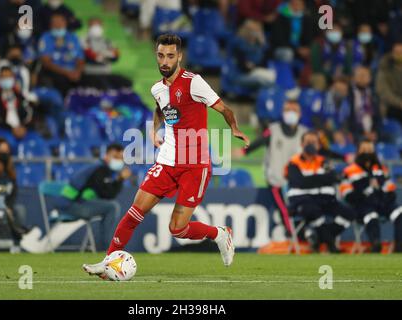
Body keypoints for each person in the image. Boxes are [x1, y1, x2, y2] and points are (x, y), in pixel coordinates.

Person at [83, 34, 250, 277]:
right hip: (167, 161)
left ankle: (219, 234)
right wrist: (154, 130)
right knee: (134, 212)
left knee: (177, 229)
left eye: (170, 55)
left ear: (179, 56)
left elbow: (224, 108)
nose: (165, 60)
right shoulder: (157, 89)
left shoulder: (194, 83)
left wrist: (234, 128)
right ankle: (108, 262)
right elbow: (160, 109)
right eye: (161, 55)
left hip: (195, 165)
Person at [236, 100, 307, 236]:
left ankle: (301, 235)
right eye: (288, 110)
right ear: (282, 113)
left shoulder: (304, 133)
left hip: (298, 182)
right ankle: (294, 237)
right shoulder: (273, 130)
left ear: (300, 113)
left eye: (294, 110)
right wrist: (244, 151)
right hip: (277, 180)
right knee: (285, 209)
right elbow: (259, 141)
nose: (291, 113)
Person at [284, 131, 356, 253]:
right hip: (302, 201)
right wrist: (321, 178)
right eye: (308, 142)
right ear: (301, 144)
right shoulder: (294, 162)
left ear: (318, 145)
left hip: (324, 200)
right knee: (312, 210)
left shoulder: (324, 161)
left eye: (314, 142)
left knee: (350, 213)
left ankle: (321, 238)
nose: (311, 145)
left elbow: (333, 177)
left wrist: (311, 180)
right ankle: (331, 245)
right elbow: (299, 182)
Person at [61, 144, 130, 250]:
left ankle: (106, 247)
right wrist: (120, 179)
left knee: (110, 206)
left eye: (121, 158)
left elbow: (106, 193)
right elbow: (107, 194)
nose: (119, 161)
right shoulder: (99, 170)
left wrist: (118, 180)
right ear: (106, 156)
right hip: (72, 205)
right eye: (115, 157)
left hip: (75, 203)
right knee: (112, 207)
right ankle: (107, 248)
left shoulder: (101, 168)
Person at [340, 140, 402, 253]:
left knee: (399, 212)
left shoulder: (381, 169)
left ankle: (399, 246)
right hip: (363, 206)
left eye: (370, 150)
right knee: (371, 216)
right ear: (358, 151)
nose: (367, 153)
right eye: (364, 150)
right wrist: (366, 191)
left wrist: (380, 190)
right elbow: (347, 196)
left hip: (381, 203)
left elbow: (391, 191)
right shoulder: (349, 170)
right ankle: (375, 245)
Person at [0, 137, 30, 249]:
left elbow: (13, 192)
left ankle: (17, 244)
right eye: (1, 151)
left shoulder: (10, 172)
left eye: (6, 151)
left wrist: (9, 206)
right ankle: (18, 232)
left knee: (20, 209)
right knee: (3, 211)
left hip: (7, 205)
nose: (4, 154)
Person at [37, 12, 85, 97]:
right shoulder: (46, 38)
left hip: (73, 71)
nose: (58, 26)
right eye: (55, 24)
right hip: (56, 71)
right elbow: (46, 62)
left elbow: (80, 59)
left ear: (65, 23)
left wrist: (78, 71)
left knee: (87, 80)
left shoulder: (73, 37)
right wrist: (66, 73)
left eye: (60, 23)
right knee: (61, 81)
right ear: (51, 25)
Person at [0, 66, 33, 140]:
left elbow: (29, 112)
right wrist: (11, 129)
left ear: (13, 78)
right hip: (4, 130)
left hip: (22, 128)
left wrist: (23, 127)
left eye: (8, 76)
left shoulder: (19, 95)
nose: (6, 79)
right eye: (3, 77)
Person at [347, 66, 381, 143]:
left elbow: (378, 118)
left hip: (373, 133)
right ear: (353, 78)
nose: (362, 78)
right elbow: (346, 119)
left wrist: (375, 132)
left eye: (365, 75)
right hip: (355, 133)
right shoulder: (348, 95)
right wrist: (362, 133)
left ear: (370, 78)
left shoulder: (373, 95)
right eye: (359, 75)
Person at [376, 41, 402, 124]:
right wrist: (400, 103)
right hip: (391, 107)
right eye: (396, 52)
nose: (399, 55)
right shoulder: (384, 68)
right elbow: (383, 92)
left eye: (401, 52)